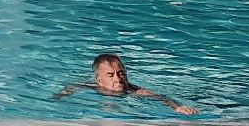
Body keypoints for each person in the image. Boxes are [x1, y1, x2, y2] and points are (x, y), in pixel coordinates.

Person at [56, 52, 196, 114]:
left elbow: (161, 98)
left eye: (121, 73)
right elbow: (69, 89)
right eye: (110, 75)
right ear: (99, 79)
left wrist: (177, 107)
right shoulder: (89, 86)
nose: (118, 79)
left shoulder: (134, 91)